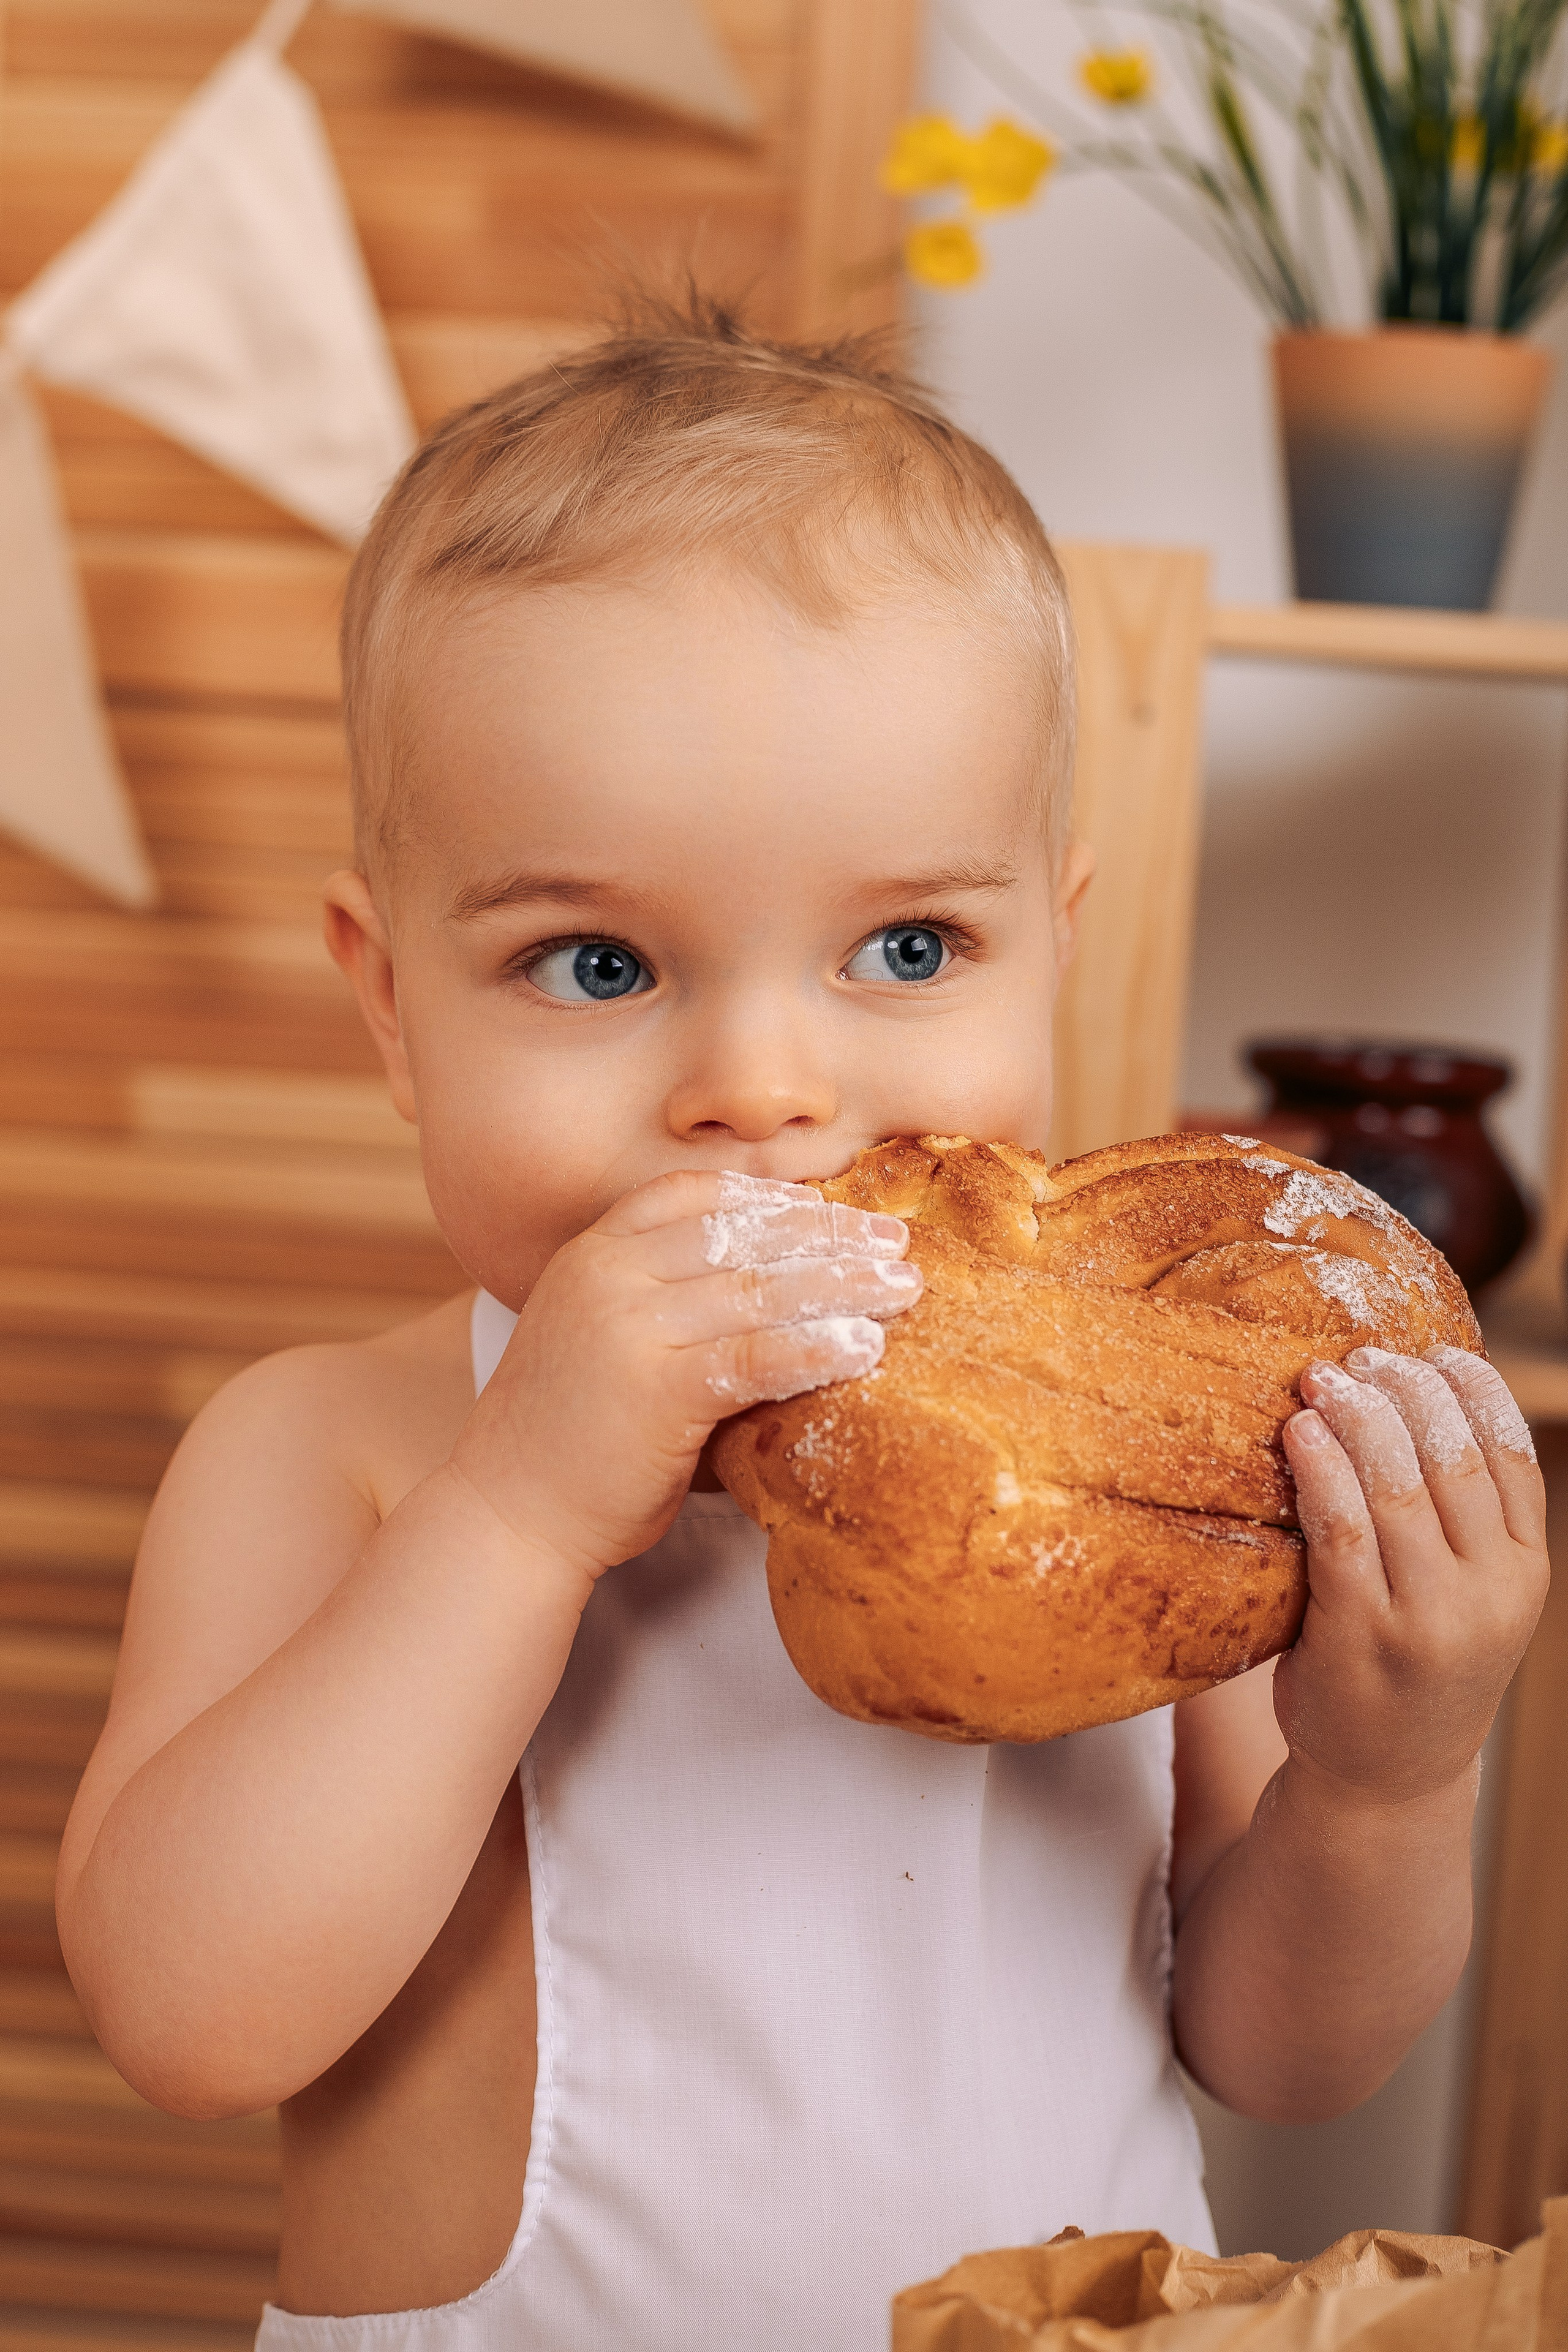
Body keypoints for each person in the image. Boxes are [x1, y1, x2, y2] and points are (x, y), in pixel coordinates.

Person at [56, 297, 1548, 2351]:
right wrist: (513, 1515)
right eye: (594, 964)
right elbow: (193, 2021)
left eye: (908, 947)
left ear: (1058, 952)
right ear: (392, 1005)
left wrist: (1387, 1781)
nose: (761, 1082)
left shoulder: (1147, 1465)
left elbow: (1285, 2056)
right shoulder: (342, 1453)